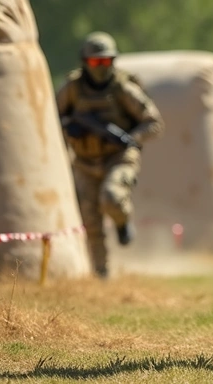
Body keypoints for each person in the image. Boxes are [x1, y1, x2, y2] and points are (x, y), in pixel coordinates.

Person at [56, 32, 164, 279]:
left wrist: (130, 138)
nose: (101, 67)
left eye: (106, 61)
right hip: (84, 162)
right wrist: (69, 127)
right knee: (90, 220)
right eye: (95, 62)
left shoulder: (123, 88)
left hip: (119, 158)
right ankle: (101, 274)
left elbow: (154, 123)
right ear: (85, 62)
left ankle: (122, 222)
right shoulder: (72, 88)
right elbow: (52, 117)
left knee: (112, 197)